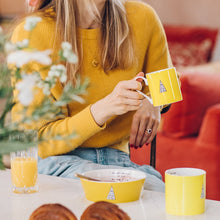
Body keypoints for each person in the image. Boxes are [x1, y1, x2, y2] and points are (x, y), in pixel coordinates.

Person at [11, 0, 173, 192]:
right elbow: (37, 141)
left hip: (117, 162)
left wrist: (154, 101)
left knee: (161, 194)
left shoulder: (143, 16)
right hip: (56, 162)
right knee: (117, 193)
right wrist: (103, 109)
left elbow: (167, 81)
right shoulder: (32, 33)